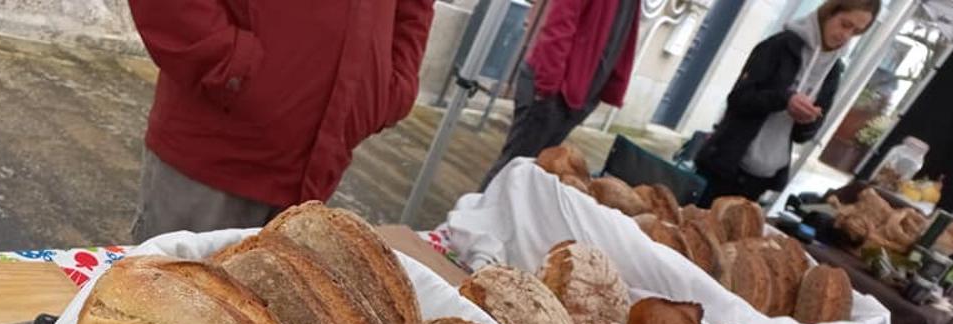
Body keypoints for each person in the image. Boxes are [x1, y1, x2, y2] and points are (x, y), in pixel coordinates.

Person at [127, 1, 435, 241]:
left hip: (316, 169)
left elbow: (413, 8)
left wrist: (393, 87)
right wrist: (229, 65)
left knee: (264, 317)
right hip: (215, 151)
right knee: (166, 304)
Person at [695, 0, 880, 205]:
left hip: (763, 177)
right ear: (829, 13)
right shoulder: (779, 45)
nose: (846, 36)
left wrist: (807, 120)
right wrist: (785, 99)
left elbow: (805, 135)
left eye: (856, 32)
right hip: (725, 166)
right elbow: (739, 98)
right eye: (845, 24)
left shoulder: (833, 71)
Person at [480, 0, 642, 189]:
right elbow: (559, 24)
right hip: (551, 89)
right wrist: (547, 87)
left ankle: (497, 216)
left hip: (578, 96)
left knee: (529, 175)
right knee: (510, 172)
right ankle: (472, 217)